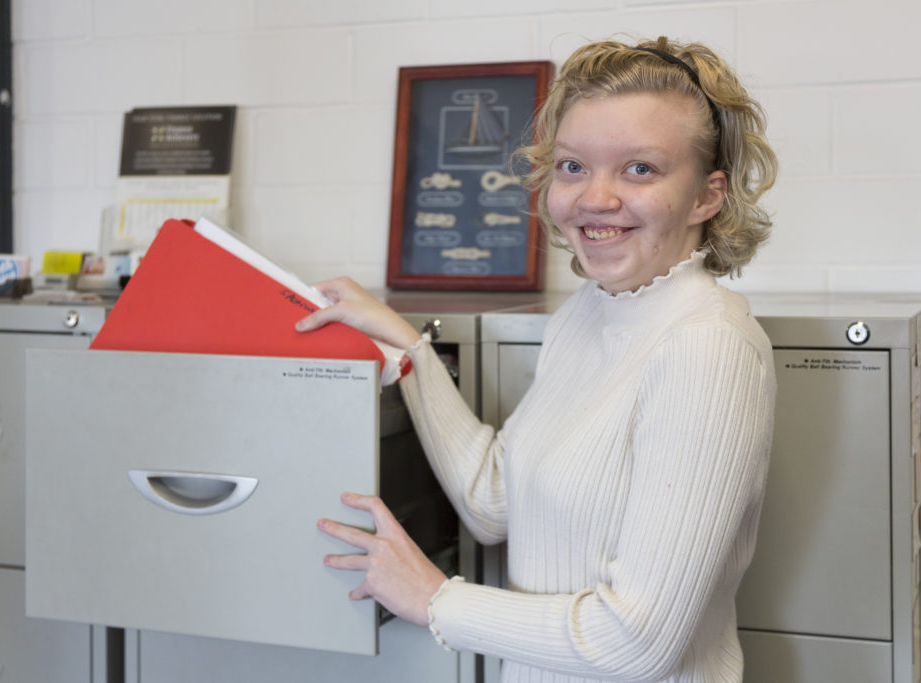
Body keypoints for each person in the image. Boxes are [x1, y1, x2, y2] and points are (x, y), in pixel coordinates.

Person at [298, 35, 779, 682]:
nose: (594, 198)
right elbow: (495, 501)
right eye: (573, 166)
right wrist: (406, 345)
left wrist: (435, 598)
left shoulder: (707, 346)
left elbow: (636, 640)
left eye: (639, 169)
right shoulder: (588, 312)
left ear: (706, 197)